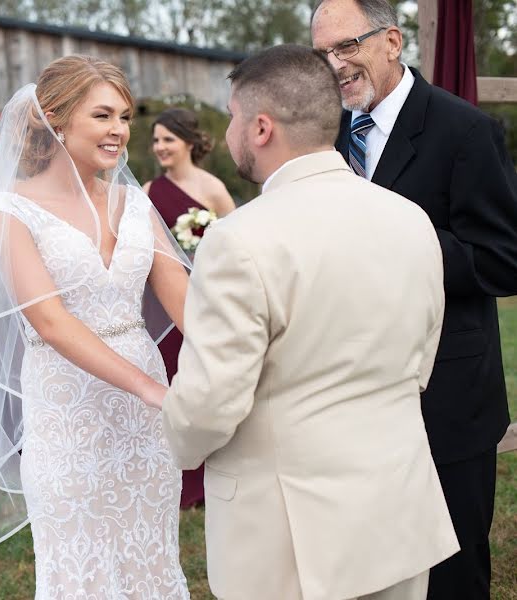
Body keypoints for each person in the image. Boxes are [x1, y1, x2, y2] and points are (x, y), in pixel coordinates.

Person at [158, 45, 459, 600]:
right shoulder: (410, 219)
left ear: (262, 127)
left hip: (292, 541)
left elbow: (210, 402)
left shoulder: (238, 241)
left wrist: (171, 442)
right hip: (399, 511)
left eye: (232, 117)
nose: (228, 133)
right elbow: (421, 359)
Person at [0, 55, 192, 598]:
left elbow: (187, 304)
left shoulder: (136, 201)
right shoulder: (11, 209)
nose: (119, 130)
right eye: (102, 115)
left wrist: (235, 365)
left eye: (125, 116)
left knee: (150, 553)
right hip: (69, 407)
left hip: (145, 420)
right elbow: (49, 319)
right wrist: (151, 390)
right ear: (56, 119)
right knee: (79, 561)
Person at [311, 1, 517, 597]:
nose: (334, 65)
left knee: (451, 576)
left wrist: (399, 242)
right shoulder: (322, 132)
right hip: (348, 393)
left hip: (445, 396)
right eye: (322, 53)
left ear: (393, 41)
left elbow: (504, 259)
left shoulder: (465, 131)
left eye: (346, 47)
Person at [142, 107, 235, 508]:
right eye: (157, 140)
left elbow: (236, 242)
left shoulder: (213, 188)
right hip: (160, 306)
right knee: (168, 379)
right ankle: (169, 469)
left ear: (189, 143)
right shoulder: (147, 190)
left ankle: (202, 471)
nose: (160, 147)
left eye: (168, 139)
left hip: (205, 297)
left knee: (199, 379)